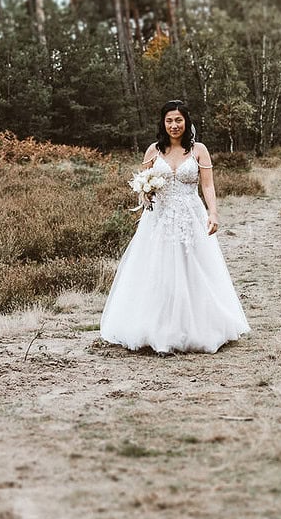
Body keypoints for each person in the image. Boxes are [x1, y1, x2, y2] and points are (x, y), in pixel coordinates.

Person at [99, 100, 251, 353]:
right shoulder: (153, 151)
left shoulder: (199, 150)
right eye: (169, 120)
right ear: (163, 123)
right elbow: (143, 181)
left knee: (194, 269)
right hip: (158, 218)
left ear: (186, 122)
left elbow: (208, 186)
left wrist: (213, 213)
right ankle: (155, 327)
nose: (174, 125)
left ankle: (198, 326)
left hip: (190, 216)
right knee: (157, 270)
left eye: (178, 120)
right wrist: (144, 194)